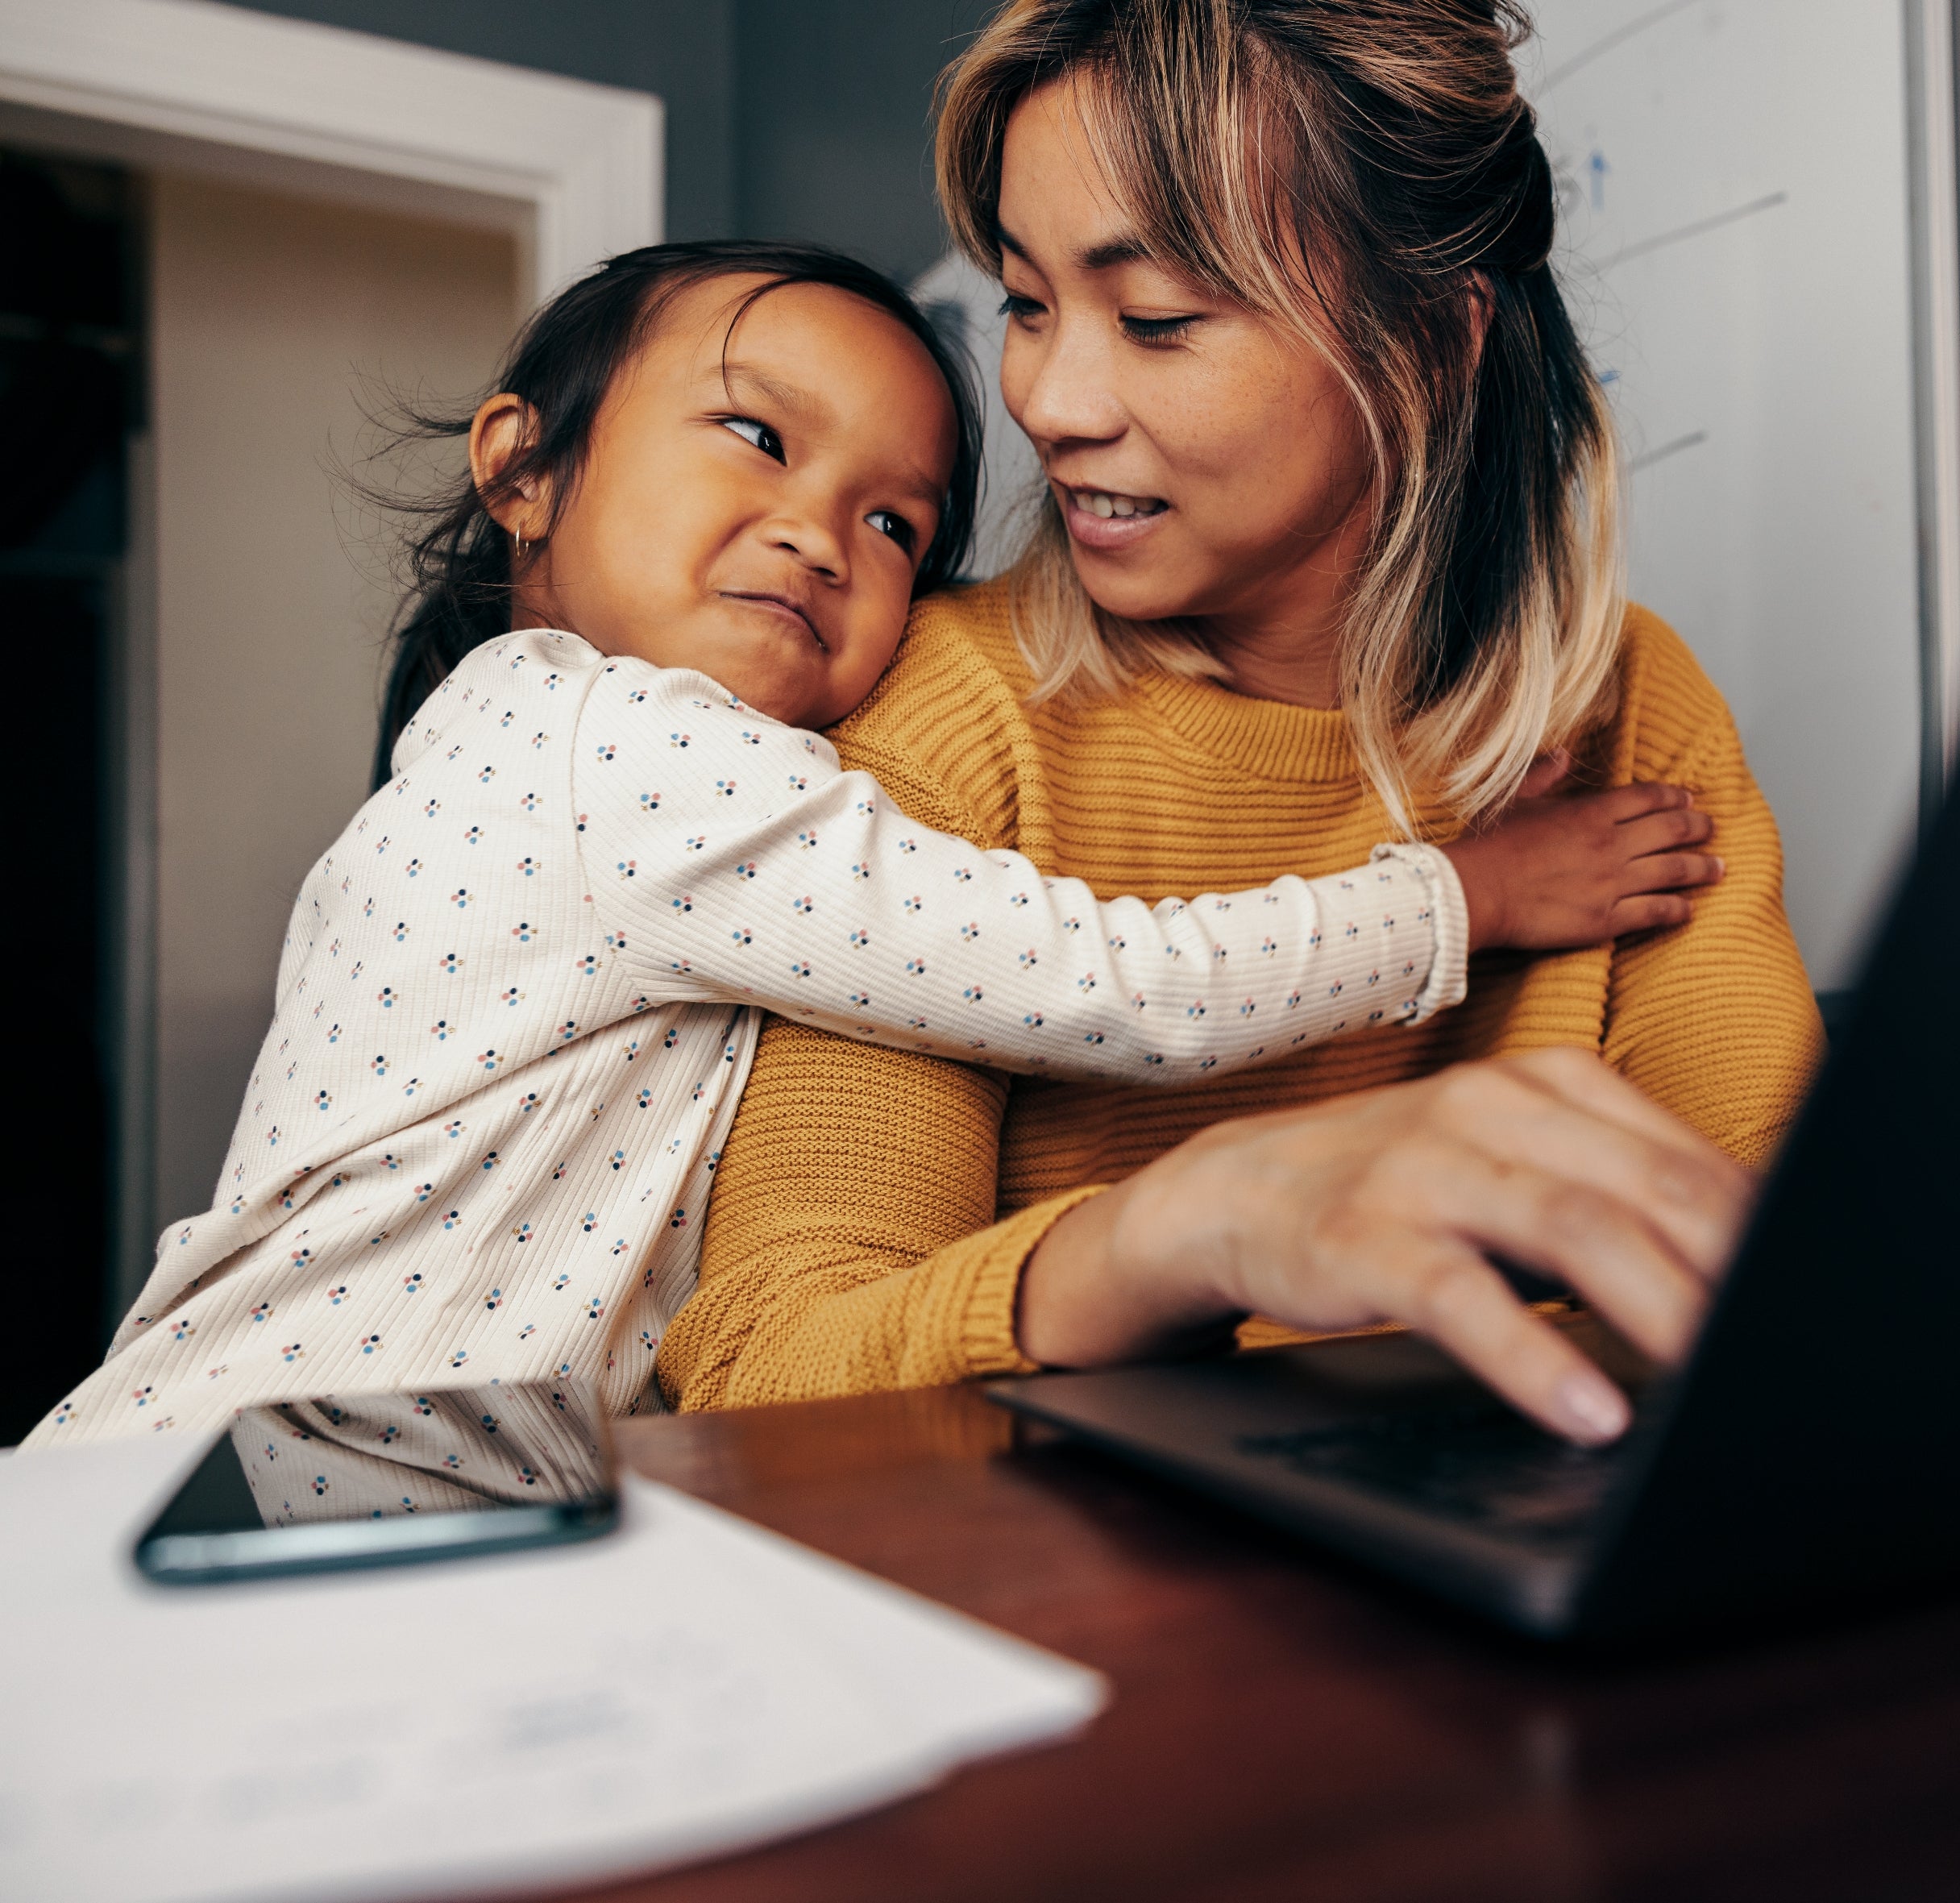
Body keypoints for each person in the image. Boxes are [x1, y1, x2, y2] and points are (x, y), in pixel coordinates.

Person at [24, 239, 1720, 1447]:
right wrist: (1458, 898)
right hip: (222, 1473)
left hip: (374, 1489)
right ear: (521, 466)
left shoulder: (567, 759)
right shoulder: (598, 736)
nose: (819, 534)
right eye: (758, 435)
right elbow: (1096, 974)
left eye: (895, 519)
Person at [660, 0, 1827, 1448]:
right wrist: (1178, 1232)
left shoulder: (1631, 703)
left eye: (1155, 320)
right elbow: (766, 1368)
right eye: (1026, 304)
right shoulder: (946, 726)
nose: (1049, 399)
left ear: (1432, 340)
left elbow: (1789, 1274)